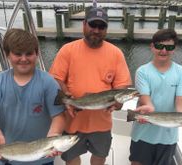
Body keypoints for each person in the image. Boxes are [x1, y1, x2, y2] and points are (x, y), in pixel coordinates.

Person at [49, 7, 132, 165]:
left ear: (106, 29)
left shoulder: (116, 53)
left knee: (100, 156)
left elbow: (122, 88)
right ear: (84, 24)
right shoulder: (67, 50)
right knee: (72, 158)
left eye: (101, 27)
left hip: (102, 123)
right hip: (72, 121)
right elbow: (56, 79)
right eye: (93, 25)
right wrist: (66, 98)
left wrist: (119, 103)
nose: (96, 30)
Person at [0, 28, 66, 165]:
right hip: (6, 157)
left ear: (37, 54)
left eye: (29, 53)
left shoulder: (49, 82)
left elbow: (59, 116)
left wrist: (54, 134)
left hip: (42, 158)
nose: (24, 59)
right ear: (7, 54)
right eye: (18, 54)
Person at [129, 29, 182, 165]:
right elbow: (145, 99)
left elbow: (181, 103)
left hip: (168, 136)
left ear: (174, 49)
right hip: (142, 132)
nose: (163, 51)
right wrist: (147, 108)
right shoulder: (142, 71)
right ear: (152, 46)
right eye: (159, 46)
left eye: (169, 47)